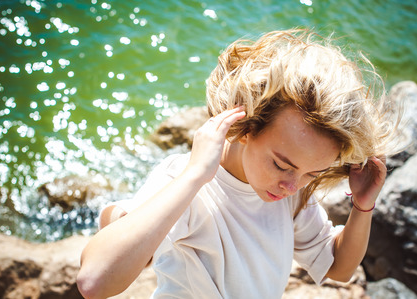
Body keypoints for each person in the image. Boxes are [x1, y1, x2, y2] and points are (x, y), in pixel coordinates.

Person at [77, 28, 399, 299]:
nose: (292, 186)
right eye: (281, 165)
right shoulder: (187, 181)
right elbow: (94, 281)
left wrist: (362, 205)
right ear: (247, 126)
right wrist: (194, 176)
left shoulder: (293, 194)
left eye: (311, 173)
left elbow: (337, 266)